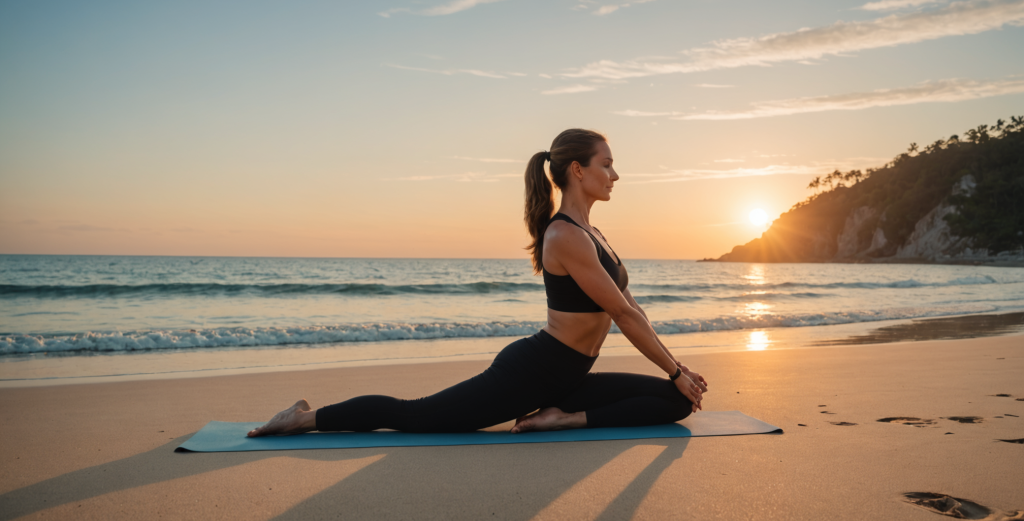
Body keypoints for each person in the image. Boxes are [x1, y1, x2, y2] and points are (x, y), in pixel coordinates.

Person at [247, 128, 708, 437]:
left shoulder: (595, 234)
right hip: (533, 371)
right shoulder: (565, 235)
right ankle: (303, 419)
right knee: (416, 415)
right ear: (577, 170)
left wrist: (677, 371)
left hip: (569, 378)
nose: (615, 174)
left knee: (676, 402)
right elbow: (622, 315)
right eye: (607, 164)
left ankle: (563, 417)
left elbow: (634, 308)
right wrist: (672, 369)